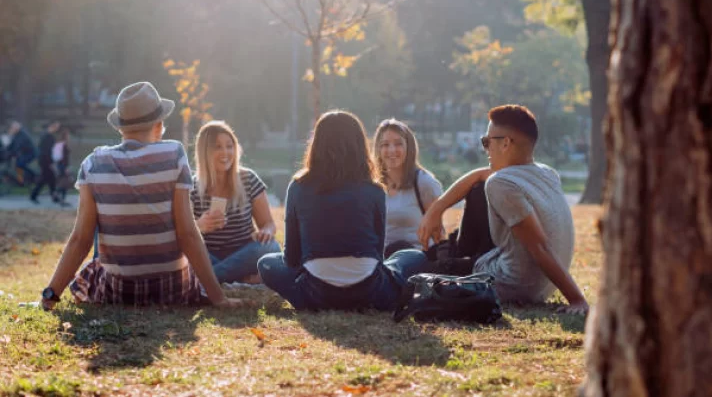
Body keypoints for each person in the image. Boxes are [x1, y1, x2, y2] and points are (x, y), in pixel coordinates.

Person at [39, 82, 240, 310]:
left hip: (118, 292)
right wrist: (218, 299)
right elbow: (188, 234)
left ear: (121, 128)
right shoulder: (174, 154)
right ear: (159, 124)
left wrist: (50, 295)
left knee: (95, 261)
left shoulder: (93, 163)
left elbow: (80, 240)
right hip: (172, 289)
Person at [418, 104, 589, 315]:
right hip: (542, 286)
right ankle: (450, 255)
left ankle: (448, 258)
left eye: (487, 142)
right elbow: (480, 175)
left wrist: (577, 299)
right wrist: (437, 209)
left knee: (412, 268)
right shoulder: (546, 173)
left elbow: (539, 246)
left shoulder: (501, 184)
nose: (486, 148)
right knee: (478, 188)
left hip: (511, 284)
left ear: (506, 143)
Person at [257, 110, 428, 311]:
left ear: (317, 145)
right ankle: (385, 296)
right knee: (415, 257)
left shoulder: (298, 186)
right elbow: (377, 255)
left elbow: (292, 258)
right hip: (370, 292)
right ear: (359, 146)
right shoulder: (374, 190)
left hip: (316, 293)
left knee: (266, 264)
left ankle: (309, 300)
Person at [190, 121, 280, 284]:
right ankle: (237, 278)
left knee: (271, 247)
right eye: (217, 147)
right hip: (208, 255)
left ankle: (210, 279)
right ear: (205, 152)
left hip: (244, 253)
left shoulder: (249, 179)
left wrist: (266, 231)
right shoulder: (191, 187)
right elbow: (184, 235)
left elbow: (268, 223)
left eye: (229, 146)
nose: (225, 152)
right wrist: (200, 226)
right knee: (185, 252)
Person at [372, 119, 442, 257]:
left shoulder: (424, 183)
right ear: (378, 149)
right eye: (385, 145)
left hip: (416, 259)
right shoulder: (373, 186)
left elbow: (439, 234)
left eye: (398, 144)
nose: (391, 150)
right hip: (382, 259)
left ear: (408, 147)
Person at [30, 121, 61, 204]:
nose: (58, 129)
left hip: (44, 160)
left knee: (51, 179)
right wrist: (51, 162)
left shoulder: (45, 135)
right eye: (57, 127)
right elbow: (47, 151)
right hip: (46, 161)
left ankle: (54, 196)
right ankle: (33, 195)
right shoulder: (48, 137)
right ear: (52, 126)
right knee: (45, 179)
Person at [6, 120, 37, 185]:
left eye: (13, 128)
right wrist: (5, 151)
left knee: (20, 164)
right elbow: (11, 145)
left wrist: (11, 153)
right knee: (18, 165)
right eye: (12, 128)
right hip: (24, 153)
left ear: (17, 128)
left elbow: (17, 146)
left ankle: (34, 175)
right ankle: (21, 180)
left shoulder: (22, 135)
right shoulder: (16, 135)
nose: (12, 129)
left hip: (31, 153)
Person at [52, 127, 72, 206]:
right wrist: (66, 167)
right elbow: (64, 158)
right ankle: (58, 196)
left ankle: (59, 197)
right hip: (63, 166)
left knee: (62, 183)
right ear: (66, 136)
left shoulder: (59, 143)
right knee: (64, 183)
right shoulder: (64, 145)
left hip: (60, 165)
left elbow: (56, 157)